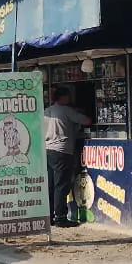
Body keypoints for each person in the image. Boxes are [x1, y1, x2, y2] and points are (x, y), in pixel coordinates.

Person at [44, 87, 90, 227]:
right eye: (68, 96)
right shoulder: (66, 110)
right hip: (62, 151)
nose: (70, 99)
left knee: (50, 185)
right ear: (63, 97)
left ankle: (49, 216)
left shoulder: (46, 111)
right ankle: (61, 218)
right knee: (61, 186)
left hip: (47, 150)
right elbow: (87, 121)